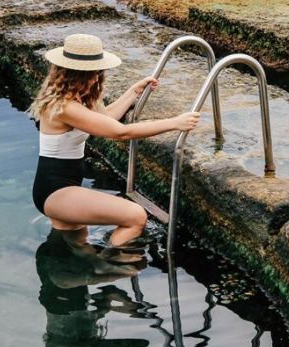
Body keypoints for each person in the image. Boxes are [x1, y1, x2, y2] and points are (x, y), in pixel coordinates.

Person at [29, 33, 200, 248]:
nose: (95, 80)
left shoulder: (75, 99)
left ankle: (80, 270)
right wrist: (175, 122)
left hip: (63, 190)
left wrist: (132, 93)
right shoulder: (64, 107)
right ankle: (113, 266)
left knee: (75, 252)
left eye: (97, 74)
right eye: (91, 75)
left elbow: (105, 120)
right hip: (56, 192)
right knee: (135, 217)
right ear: (74, 74)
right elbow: (119, 133)